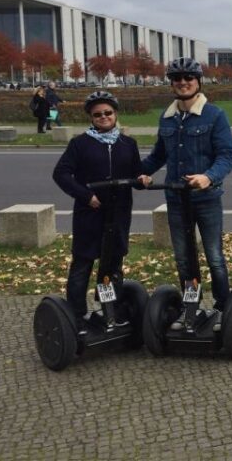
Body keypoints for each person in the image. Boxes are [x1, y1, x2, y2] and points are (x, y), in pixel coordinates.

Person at [139, 58, 232, 331]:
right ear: (172, 83)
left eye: (188, 78)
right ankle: (190, 306)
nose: (182, 82)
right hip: (176, 199)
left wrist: (208, 176)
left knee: (214, 256)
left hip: (206, 199)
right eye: (177, 78)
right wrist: (141, 173)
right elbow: (159, 154)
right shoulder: (167, 117)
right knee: (183, 258)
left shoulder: (215, 115)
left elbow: (227, 156)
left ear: (198, 82)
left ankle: (222, 307)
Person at [52, 91, 149, 333]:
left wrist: (142, 179)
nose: (103, 117)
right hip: (90, 214)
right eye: (98, 115)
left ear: (115, 114)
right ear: (91, 118)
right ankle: (76, 315)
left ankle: (110, 311)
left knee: (112, 265)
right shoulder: (80, 143)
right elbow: (61, 174)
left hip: (118, 214)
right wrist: (86, 196)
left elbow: (135, 175)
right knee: (83, 264)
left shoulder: (128, 144)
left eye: (108, 113)